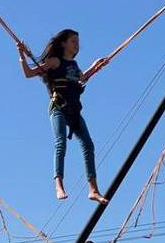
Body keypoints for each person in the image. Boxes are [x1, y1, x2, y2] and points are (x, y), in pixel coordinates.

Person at [17, 30, 109, 203]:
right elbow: (29, 73)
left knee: (88, 145)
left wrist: (96, 67)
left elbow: (82, 77)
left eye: (77, 42)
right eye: (73, 41)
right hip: (58, 107)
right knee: (61, 143)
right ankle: (59, 185)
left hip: (73, 110)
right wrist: (21, 54)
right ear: (63, 43)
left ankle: (93, 190)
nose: (76, 44)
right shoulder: (54, 61)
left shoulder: (74, 65)